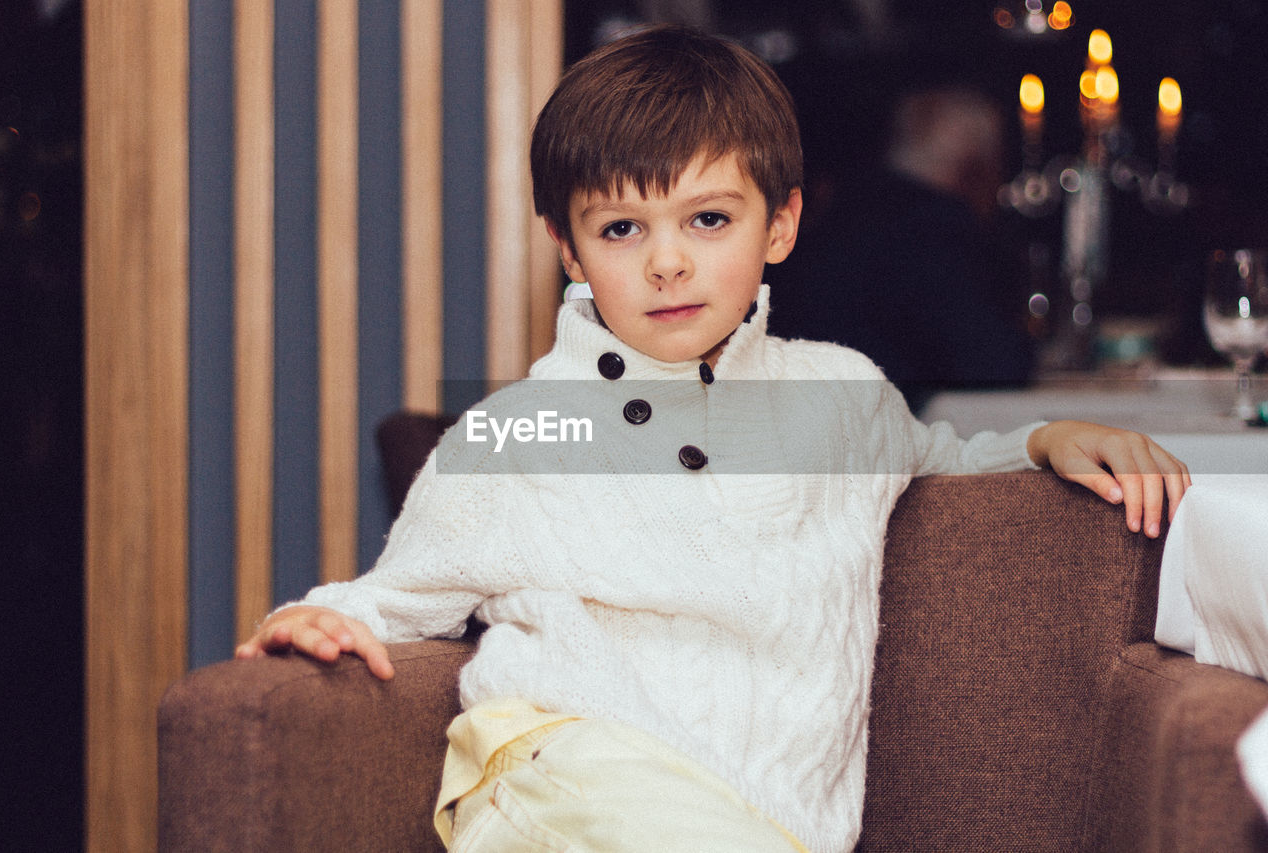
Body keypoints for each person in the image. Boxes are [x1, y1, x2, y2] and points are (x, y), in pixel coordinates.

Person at [236, 26, 1189, 853]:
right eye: (620, 227)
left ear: (780, 223)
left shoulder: (841, 397)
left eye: (708, 218)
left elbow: (940, 458)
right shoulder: (524, 430)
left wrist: (1048, 437)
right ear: (569, 250)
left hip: (765, 826)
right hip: (563, 785)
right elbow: (388, 598)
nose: (667, 260)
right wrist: (321, 619)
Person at [769, 85, 1036, 414]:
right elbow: (993, 365)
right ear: (974, 167)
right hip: (872, 436)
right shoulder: (932, 228)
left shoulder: (837, 211)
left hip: (797, 415)